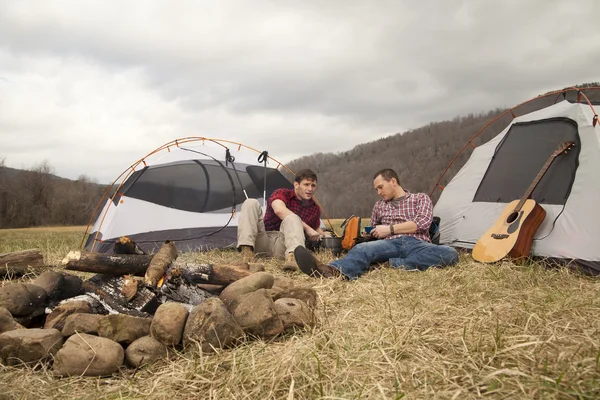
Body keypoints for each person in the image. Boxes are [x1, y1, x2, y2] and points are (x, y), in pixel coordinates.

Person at [294, 168, 459, 279]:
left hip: (417, 243)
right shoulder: (379, 205)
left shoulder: (420, 198)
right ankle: (331, 271)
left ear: (393, 182)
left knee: (450, 253)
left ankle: (393, 264)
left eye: (381, 187)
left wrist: (389, 229)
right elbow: (373, 229)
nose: (379, 192)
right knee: (363, 249)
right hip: (388, 245)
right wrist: (370, 233)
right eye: (376, 190)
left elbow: (422, 223)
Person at [237, 168, 329, 271]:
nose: (310, 189)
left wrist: (326, 236)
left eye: (313, 185)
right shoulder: (282, 193)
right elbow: (279, 210)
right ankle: (246, 252)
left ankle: (293, 258)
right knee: (250, 202)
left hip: (283, 246)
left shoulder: (314, 208)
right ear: (296, 185)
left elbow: (316, 229)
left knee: (293, 218)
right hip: (263, 240)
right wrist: (307, 228)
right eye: (306, 184)